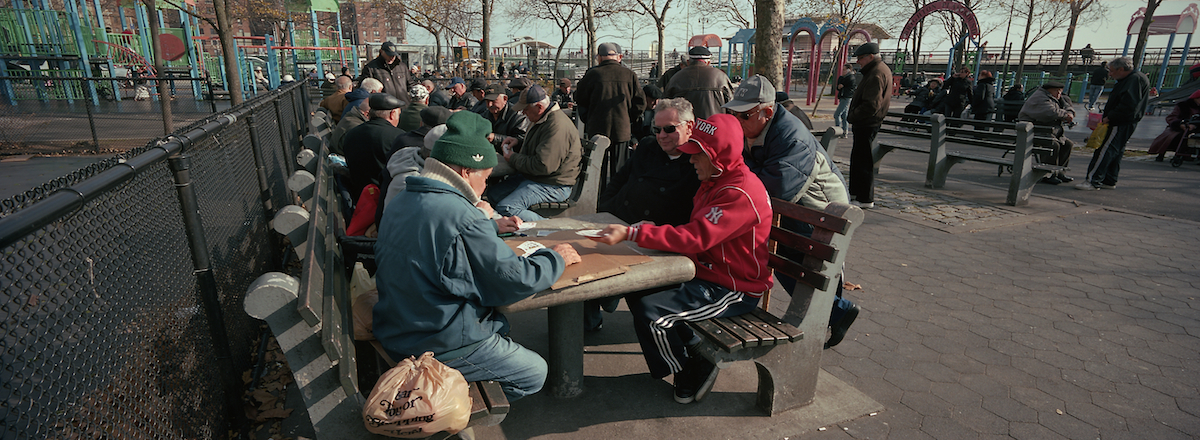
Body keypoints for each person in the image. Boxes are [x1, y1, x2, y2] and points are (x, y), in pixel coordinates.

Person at [373, 111, 583, 402]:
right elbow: (512, 282)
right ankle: (448, 401)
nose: (486, 186)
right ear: (464, 171)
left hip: (399, 324)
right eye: (485, 177)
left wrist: (485, 227)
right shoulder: (462, 216)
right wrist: (555, 258)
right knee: (534, 372)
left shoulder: (404, 199)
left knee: (499, 326)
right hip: (435, 340)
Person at [587, 114, 773, 405]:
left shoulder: (737, 191)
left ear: (718, 157)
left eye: (698, 155)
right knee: (639, 288)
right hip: (706, 273)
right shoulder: (715, 180)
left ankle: (688, 368)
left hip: (735, 288)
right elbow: (693, 233)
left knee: (653, 314)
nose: (691, 161)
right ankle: (693, 348)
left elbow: (696, 237)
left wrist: (633, 233)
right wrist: (642, 231)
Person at [722, 75, 858, 348]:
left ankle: (834, 311)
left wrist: (740, 179)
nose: (737, 120)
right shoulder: (754, 129)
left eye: (744, 115)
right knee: (785, 261)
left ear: (767, 112)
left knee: (806, 265)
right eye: (732, 113)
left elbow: (776, 187)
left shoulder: (792, 137)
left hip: (820, 210)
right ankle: (837, 310)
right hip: (793, 207)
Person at [588, 98, 703, 332]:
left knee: (593, 269)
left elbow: (692, 220)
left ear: (689, 127)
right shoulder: (649, 146)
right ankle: (587, 323)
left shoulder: (698, 162)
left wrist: (648, 232)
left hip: (654, 241)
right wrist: (606, 211)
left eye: (670, 129)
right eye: (657, 129)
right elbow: (619, 179)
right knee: (582, 258)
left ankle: (606, 298)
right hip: (619, 222)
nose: (662, 135)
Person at [490, 85, 582, 221]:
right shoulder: (543, 118)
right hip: (540, 179)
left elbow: (543, 166)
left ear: (539, 107)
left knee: (508, 207)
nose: (523, 113)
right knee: (493, 195)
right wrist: (518, 141)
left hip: (553, 184)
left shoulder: (556, 126)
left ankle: (549, 230)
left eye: (525, 109)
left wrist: (513, 158)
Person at [575, 42, 646, 189]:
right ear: (619, 57)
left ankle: (597, 201)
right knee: (619, 170)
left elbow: (579, 97)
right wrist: (629, 118)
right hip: (622, 128)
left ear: (599, 58)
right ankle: (615, 202)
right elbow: (640, 102)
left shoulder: (592, 74)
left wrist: (588, 117)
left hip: (597, 128)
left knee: (597, 170)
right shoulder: (629, 75)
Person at [1076, 56, 1150, 191]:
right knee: (1116, 150)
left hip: (1119, 121)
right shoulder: (1131, 79)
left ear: (1121, 69)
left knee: (1105, 149)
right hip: (1124, 121)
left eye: (1112, 71)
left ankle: (1093, 180)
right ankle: (1109, 179)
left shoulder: (1133, 80)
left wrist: (1110, 117)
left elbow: (1128, 104)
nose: (1110, 74)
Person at [846, 42, 892, 209]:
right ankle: (856, 193)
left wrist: (853, 115)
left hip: (867, 123)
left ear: (870, 57)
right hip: (866, 122)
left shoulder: (876, 73)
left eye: (860, 58)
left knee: (862, 160)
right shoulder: (876, 70)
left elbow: (872, 104)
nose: (858, 61)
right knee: (859, 159)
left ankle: (864, 197)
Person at [343, 93, 407, 204]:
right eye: (398, 114)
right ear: (392, 114)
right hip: (386, 199)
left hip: (358, 196)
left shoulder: (352, 133)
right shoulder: (398, 137)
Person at [1018, 81, 1076, 184]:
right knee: (1053, 145)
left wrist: (1069, 113)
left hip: (1050, 132)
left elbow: (1068, 106)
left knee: (1068, 144)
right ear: (1049, 90)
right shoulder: (1039, 97)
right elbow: (1049, 112)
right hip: (1034, 132)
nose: (1059, 94)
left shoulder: (1056, 97)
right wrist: (1066, 114)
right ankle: (1047, 174)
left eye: (1060, 92)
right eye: (1056, 91)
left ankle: (1059, 172)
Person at [665, 46, 735, 119]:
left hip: (685, 127)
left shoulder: (676, 78)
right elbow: (731, 106)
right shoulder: (721, 77)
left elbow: (665, 106)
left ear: (688, 62)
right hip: (714, 127)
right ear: (708, 62)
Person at [1148, 89, 1200, 161]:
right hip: (1181, 127)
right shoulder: (1183, 106)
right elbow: (1171, 118)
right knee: (1176, 136)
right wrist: (1181, 124)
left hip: (1196, 128)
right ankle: (1164, 154)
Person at [482, 84, 529, 153]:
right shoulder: (485, 115)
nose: (489, 105)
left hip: (511, 156)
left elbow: (521, 141)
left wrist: (495, 138)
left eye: (493, 101)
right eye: (487, 101)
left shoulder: (517, 115)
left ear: (505, 99)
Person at [833, 63, 856, 133]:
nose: (842, 71)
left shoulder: (850, 77)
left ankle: (838, 130)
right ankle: (845, 131)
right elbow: (838, 86)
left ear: (849, 70)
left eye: (844, 70)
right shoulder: (842, 77)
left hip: (847, 97)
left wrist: (841, 85)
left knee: (837, 114)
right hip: (842, 96)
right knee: (844, 115)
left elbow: (844, 84)